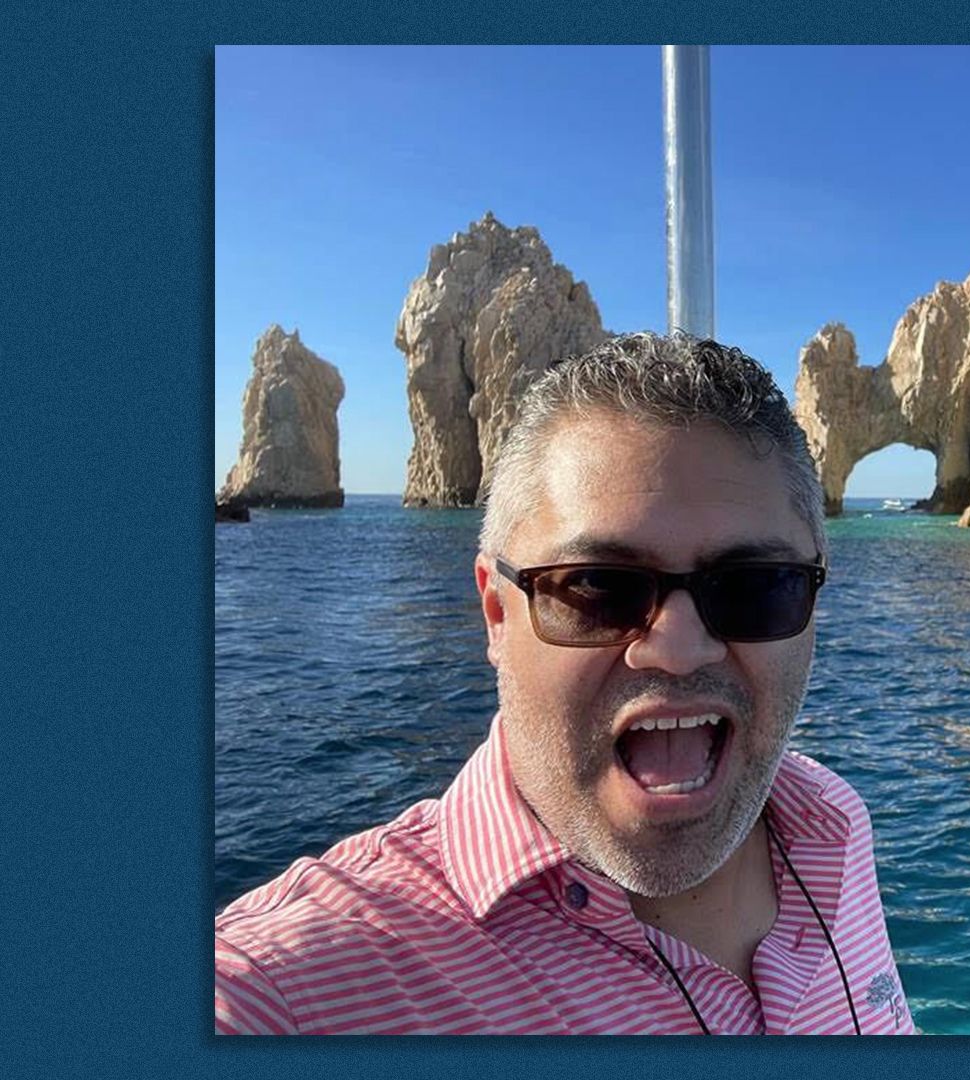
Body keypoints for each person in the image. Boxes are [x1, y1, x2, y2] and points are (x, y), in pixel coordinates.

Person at [215, 334, 916, 1034]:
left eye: (756, 586)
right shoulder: (287, 991)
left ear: (814, 603)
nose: (678, 648)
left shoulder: (832, 822)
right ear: (496, 612)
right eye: (596, 586)